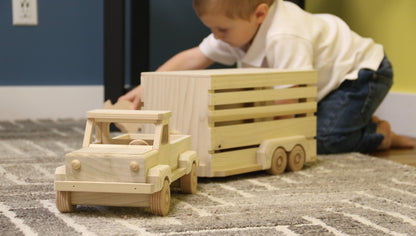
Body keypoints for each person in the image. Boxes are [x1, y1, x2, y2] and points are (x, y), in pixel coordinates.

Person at [119, 0, 414, 154]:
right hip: (323, 84)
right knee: (310, 128)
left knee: (321, 140)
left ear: (260, 14)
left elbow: (290, 99)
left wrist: (254, 137)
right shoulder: (236, 30)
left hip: (361, 74)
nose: (216, 37)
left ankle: (379, 135)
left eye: (222, 30)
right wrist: (148, 85)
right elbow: (194, 56)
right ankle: (357, 122)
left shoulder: (285, 35)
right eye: (212, 29)